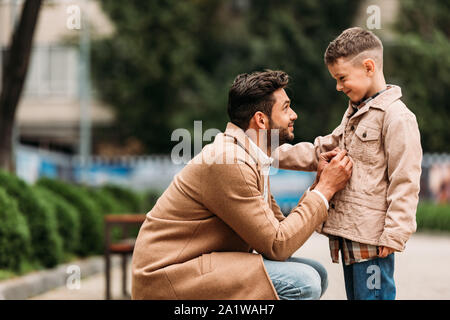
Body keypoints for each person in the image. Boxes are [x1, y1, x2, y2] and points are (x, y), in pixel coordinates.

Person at [131, 70, 353, 300]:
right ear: (260, 120)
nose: (294, 115)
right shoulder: (230, 161)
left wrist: (319, 184)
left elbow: (280, 231)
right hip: (170, 276)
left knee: (318, 273)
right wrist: (324, 190)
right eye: (286, 108)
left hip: (197, 265)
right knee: (303, 282)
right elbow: (278, 245)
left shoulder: (250, 156)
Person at [273, 27, 422, 300]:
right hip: (351, 234)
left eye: (342, 78)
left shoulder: (397, 117)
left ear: (368, 67)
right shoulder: (355, 113)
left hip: (373, 239)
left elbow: (406, 179)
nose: (339, 87)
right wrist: (270, 152)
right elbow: (321, 149)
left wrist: (395, 233)